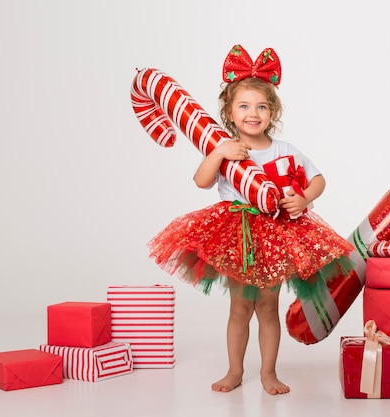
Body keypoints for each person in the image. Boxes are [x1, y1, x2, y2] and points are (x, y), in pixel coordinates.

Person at [148, 45, 354, 395]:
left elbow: (318, 179)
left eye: (261, 107)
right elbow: (201, 181)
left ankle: (268, 374)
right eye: (243, 106)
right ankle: (234, 371)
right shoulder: (224, 148)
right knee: (240, 307)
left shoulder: (284, 150)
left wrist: (303, 198)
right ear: (229, 112)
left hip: (275, 236)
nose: (252, 114)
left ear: (272, 112)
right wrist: (218, 152)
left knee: (267, 307)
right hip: (238, 236)